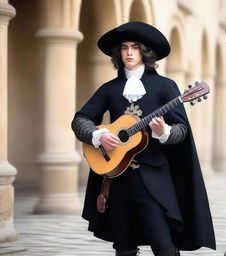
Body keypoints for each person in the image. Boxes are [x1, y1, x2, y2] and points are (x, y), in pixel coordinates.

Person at [71, 21, 216, 256]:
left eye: (135, 47)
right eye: (124, 47)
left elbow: (181, 129)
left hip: (155, 177)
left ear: (145, 52)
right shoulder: (109, 89)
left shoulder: (165, 87)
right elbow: (80, 120)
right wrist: (98, 135)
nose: (129, 52)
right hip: (117, 179)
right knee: (124, 246)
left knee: (164, 245)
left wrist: (164, 133)